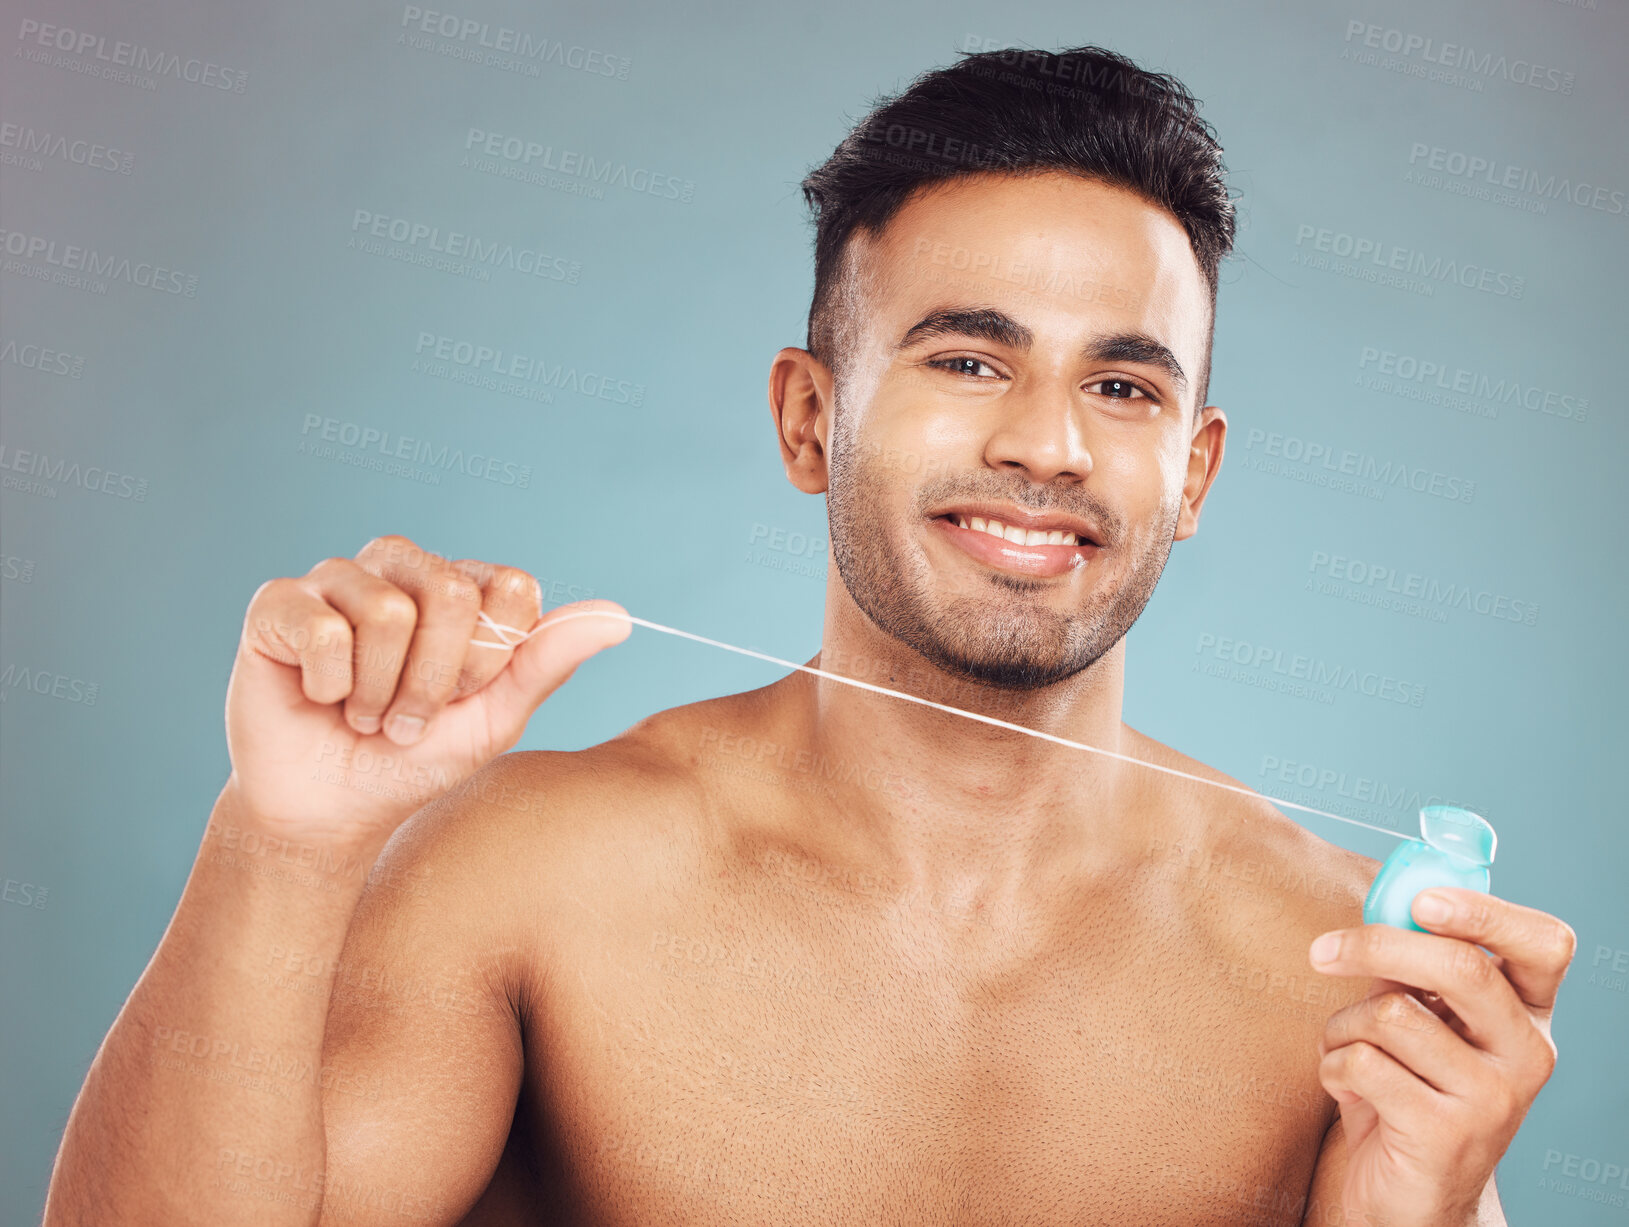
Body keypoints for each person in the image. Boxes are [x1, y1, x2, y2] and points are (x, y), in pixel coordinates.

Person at [44, 45, 1574, 1226]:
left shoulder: (1336, 989)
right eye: (969, 357)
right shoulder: (535, 879)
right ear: (804, 417)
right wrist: (282, 844)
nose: (1047, 445)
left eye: (1123, 386)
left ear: (1193, 473)